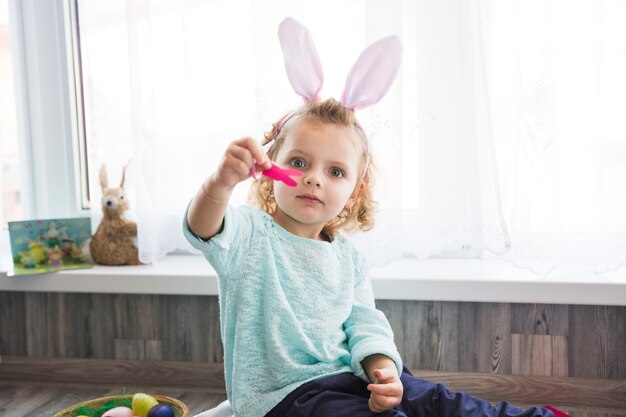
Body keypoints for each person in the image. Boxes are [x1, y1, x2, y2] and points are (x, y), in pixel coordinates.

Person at [183, 16, 569, 417]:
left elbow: (364, 323)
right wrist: (220, 183)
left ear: (355, 192)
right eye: (299, 162)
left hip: (351, 376)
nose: (314, 179)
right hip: (285, 397)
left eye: (335, 171)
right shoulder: (249, 233)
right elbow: (203, 229)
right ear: (270, 168)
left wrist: (385, 374)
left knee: (436, 400)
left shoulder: (346, 257)